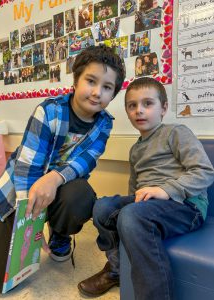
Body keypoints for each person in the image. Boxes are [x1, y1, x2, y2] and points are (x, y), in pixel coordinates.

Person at [0, 44, 125, 294]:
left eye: (107, 87)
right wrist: (28, 224)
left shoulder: (104, 125)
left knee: (82, 195)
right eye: (91, 81)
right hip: (19, 191)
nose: (97, 93)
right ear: (75, 80)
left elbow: (85, 162)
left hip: (59, 190)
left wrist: (54, 178)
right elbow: (27, 167)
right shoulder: (49, 111)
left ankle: (60, 232)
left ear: (113, 94)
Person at [77, 77, 214, 299]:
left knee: (132, 216)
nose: (139, 110)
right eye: (132, 106)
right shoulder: (135, 149)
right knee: (102, 207)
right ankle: (116, 269)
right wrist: (131, 201)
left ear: (164, 108)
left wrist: (167, 190)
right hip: (148, 205)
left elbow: (205, 172)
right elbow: (135, 188)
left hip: (186, 206)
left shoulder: (176, 132)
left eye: (147, 104)